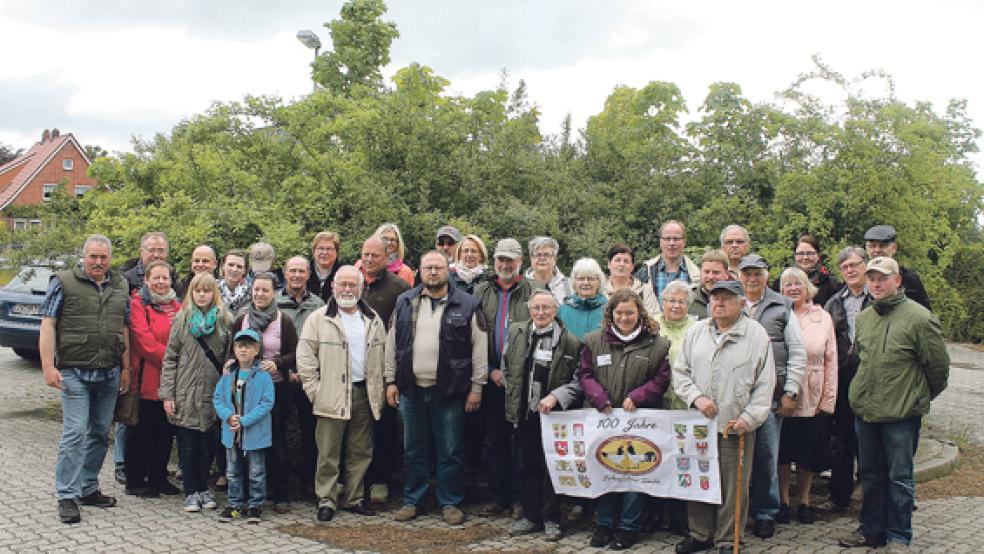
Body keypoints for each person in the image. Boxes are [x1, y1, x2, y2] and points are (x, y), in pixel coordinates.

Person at [838, 257, 949, 551]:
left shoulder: (920, 318)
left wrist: (915, 397)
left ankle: (899, 536)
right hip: (867, 412)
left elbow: (938, 370)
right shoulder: (864, 318)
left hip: (902, 414)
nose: (876, 283)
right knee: (870, 476)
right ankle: (871, 530)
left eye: (882, 278)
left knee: (899, 478)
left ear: (897, 281)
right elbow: (860, 361)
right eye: (872, 278)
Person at [673, 280, 776, 554]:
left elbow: (765, 385)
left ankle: (728, 539)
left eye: (726, 298)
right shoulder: (696, 331)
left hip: (735, 424)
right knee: (699, 479)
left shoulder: (756, 335)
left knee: (733, 486)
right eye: (714, 298)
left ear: (742, 303)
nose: (718, 303)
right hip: (698, 424)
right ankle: (700, 533)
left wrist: (750, 418)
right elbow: (680, 372)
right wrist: (697, 397)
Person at [385, 252, 488, 525]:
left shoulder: (467, 304)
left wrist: (477, 387)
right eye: (428, 267)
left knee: (450, 450)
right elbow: (391, 343)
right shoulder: (404, 301)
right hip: (411, 390)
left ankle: (449, 502)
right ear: (419, 271)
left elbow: (479, 349)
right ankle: (413, 500)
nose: (433, 272)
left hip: (450, 390)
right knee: (413, 450)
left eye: (438, 268)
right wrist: (390, 381)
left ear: (447, 271)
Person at [40, 234, 130, 524]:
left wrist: (125, 368)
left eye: (103, 257)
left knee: (100, 434)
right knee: (75, 433)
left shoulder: (121, 284)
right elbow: (48, 324)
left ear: (110, 259)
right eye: (93, 256)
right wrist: (47, 367)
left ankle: (88, 487)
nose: (98, 262)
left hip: (109, 372)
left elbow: (124, 329)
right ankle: (66, 494)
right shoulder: (63, 281)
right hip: (74, 372)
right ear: (84, 256)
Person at [580, 288, 672, 550]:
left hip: (640, 420)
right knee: (606, 468)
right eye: (619, 312)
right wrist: (598, 397)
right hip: (604, 418)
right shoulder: (594, 340)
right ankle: (604, 523)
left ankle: (629, 527)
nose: (624, 317)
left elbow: (662, 379)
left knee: (635, 473)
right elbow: (584, 374)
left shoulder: (657, 343)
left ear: (639, 313)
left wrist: (639, 396)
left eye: (630, 312)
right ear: (611, 314)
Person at [297, 265, 386, 522]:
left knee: (361, 450)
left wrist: (378, 391)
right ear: (334, 286)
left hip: (363, 393)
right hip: (330, 394)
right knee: (328, 451)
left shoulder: (373, 319)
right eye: (343, 284)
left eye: (352, 285)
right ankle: (327, 499)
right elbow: (305, 358)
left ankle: (354, 498)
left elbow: (382, 357)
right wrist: (315, 391)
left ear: (361, 288)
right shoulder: (319, 318)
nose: (347, 289)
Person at [503, 290, 582, 541]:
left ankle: (551, 519)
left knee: (553, 469)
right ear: (529, 310)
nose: (541, 313)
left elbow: (578, 381)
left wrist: (556, 396)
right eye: (536, 308)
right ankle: (530, 516)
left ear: (556, 310)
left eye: (546, 308)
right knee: (527, 465)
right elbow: (508, 365)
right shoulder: (517, 332)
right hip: (525, 412)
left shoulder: (570, 341)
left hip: (555, 417)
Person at [737, 254, 806, 539]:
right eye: (747, 273)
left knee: (766, 457)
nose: (752, 279)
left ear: (767, 275)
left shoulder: (782, 305)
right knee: (736, 459)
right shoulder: (729, 300)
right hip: (735, 397)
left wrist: (791, 390)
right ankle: (736, 512)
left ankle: (765, 512)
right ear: (739, 275)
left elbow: (798, 352)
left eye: (758, 273)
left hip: (769, 398)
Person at [473, 238, 539, 515]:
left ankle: (520, 499)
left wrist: (516, 373)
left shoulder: (534, 290)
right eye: (500, 259)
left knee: (522, 443)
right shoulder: (481, 291)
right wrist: (490, 371)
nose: (505, 265)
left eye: (510, 260)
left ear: (520, 262)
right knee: (496, 441)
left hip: (523, 381)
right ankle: (499, 496)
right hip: (492, 378)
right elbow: (473, 336)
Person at [160, 272, 232, 513]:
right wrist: (168, 394)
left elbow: (229, 358)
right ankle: (191, 491)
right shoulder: (181, 320)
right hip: (185, 392)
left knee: (208, 444)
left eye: (207, 290)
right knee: (188, 444)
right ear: (191, 293)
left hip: (213, 392)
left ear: (214, 293)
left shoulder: (225, 321)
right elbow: (170, 358)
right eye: (198, 290)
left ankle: (204, 488)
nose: (202, 295)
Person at [230, 272, 298, 513]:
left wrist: (278, 362)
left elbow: (294, 353)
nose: (259, 294)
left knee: (276, 441)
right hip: (246, 391)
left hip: (275, 389)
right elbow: (232, 351)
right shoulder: (242, 319)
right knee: (248, 442)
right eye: (256, 289)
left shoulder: (284, 320)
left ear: (274, 293)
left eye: (265, 290)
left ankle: (280, 493)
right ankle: (250, 493)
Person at [776, 267, 837, 525]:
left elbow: (831, 360)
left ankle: (804, 501)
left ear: (807, 287)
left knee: (806, 452)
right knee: (782, 451)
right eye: (787, 284)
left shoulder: (822, 317)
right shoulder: (777, 314)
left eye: (797, 283)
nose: (792, 288)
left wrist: (828, 399)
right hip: (781, 394)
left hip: (812, 393)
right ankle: (782, 501)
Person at [820, 246, 872, 513]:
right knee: (842, 439)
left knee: (870, 439)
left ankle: (869, 495)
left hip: (871, 381)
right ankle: (839, 495)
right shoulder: (834, 302)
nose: (850, 270)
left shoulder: (877, 299)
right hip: (842, 379)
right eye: (845, 267)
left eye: (855, 264)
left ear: (866, 265)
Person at [359, 236, 411, 504]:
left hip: (383, 368)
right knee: (356, 428)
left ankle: (381, 480)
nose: (369, 260)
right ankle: (356, 481)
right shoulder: (350, 281)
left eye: (375, 256)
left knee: (384, 427)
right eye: (365, 254)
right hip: (353, 367)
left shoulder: (399, 288)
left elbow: (403, 332)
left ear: (386, 258)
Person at [124, 260, 182, 498]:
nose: (160, 282)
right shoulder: (138, 304)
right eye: (155, 278)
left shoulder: (177, 305)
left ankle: (158, 477)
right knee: (141, 431)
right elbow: (143, 341)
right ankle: (136, 480)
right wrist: (173, 362)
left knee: (164, 431)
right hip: (147, 376)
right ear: (146, 280)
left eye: (165, 278)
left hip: (170, 380)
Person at [646, 279, 697, 536]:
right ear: (663, 302)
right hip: (656, 405)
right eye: (671, 300)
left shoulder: (698, 328)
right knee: (656, 459)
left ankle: (680, 517)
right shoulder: (651, 326)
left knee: (681, 461)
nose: (676, 305)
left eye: (681, 301)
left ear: (688, 304)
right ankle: (655, 514)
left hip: (685, 407)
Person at [276, 255, 326, 497]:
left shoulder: (318, 305)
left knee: (311, 431)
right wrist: (288, 372)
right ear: (285, 272)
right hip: (279, 377)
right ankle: (280, 483)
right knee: (278, 431)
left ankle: (310, 481)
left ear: (308, 275)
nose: (296, 275)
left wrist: (305, 374)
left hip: (309, 378)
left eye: (301, 271)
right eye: (292, 270)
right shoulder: (273, 302)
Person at [214, 329, 275, 524]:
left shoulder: (263, 376)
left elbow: (266, 403)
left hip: (255, 432)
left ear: (257, 350)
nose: (243, 350)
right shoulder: (228, 375)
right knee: (232, 471)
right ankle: (234, 504)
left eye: (248, 346)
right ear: (234, 349)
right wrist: (229, 416)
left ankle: (256, 505)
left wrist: (245, 420)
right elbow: (218, 399)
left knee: (256, 471)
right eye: (240, 346)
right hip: (231, 432)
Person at [863, 225, 932, 311]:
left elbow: (924, 314)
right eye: (873, 246)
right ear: (867, 249)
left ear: (894, 248)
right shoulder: (860, 278)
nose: (877, 250)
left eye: (882, 246)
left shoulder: (909, 279)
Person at [635, 220, 700, 302]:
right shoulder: (644, 272)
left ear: (684, 242)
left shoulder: (697, 276)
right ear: (661, 242)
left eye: (676, 239)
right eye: (667, 239)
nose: (672, 243)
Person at [771, 235, 841, 308]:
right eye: (801, 253)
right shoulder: (781, 282)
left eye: (810, 253)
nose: (805, 257)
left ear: (818, 255)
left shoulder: (831, 283)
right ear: (795, 255)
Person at [603, 243, 658, 318]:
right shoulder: (600, 291)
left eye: (626, 261)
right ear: (609, 264)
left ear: (632, 267)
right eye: (617, 260)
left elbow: (655, 318)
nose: (622, 264)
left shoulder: (645, 291)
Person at [557, 257, 607, 340]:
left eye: (590, 278)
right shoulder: (562, 311)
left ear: (599, 282)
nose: (586, 283)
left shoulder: (608, 309)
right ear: (574, 282)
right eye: (581, 279)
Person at [525, 236, 572, 305]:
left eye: (547, 255)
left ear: (555, 258)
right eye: (538, 255)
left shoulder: (570, 286)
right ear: (531, 258)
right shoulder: (520, 288)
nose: (542, 258)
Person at [688, 250, 730, 320]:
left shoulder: (735, 301)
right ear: (700, 272)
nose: (710, 277)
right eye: (706, 272)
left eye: (716, 272)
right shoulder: (688, 299)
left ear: (726, 274)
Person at [307, 231, 343, 302]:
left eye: (329, 249)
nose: (324, 252)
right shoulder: (303, 272)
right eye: (321, 248)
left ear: (337, 252)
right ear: (314, 251)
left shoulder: (343, 274)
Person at [219, 249, 250, 317]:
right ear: (223, 266)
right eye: (231, 265)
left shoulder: (252, 293)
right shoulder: (212, 289)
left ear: (244, 270)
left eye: (239, 266)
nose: (234, 269)